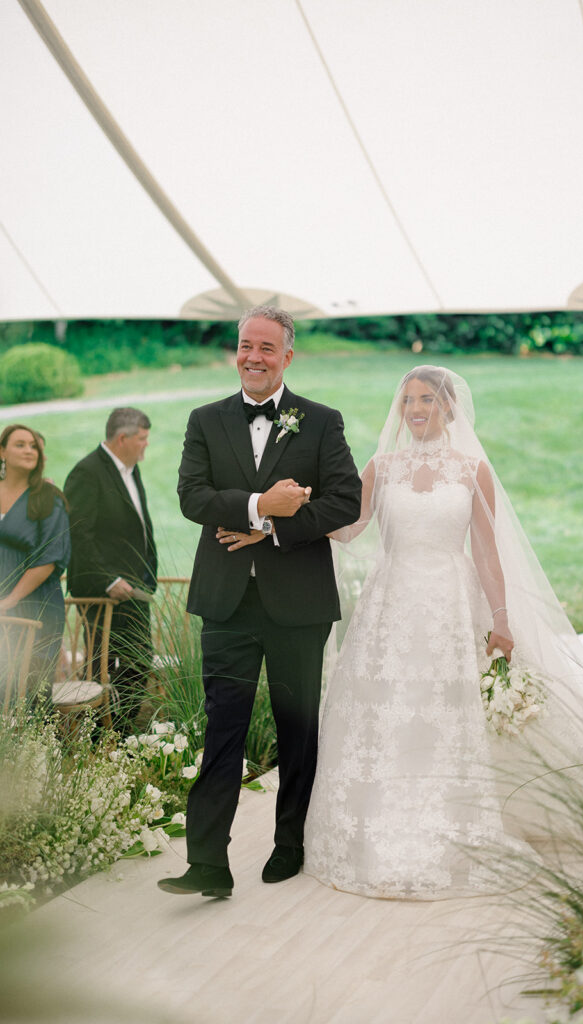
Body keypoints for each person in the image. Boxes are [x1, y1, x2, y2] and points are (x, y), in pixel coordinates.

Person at [303, 366, 583, 900]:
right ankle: (374, 831)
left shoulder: (473, 470)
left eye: (427, 399)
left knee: (444, 712)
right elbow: (351, 529)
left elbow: (488, 551)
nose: (417, 408)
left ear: (449, 407)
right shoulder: (382, 467)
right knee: (386, 710)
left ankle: (448, 823)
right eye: (408, 400)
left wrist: (501, 618)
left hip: (450, 603)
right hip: (391, 606)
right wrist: (305, 508)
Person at [158, 305, 362, 899]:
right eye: (246, 345)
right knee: (222, 731)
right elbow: (192, 497)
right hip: (226, 603)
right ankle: (207, 865)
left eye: (267, 348)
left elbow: (345, 502)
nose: (253, 356)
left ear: (288, 356)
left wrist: (272, 530)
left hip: (299, 605)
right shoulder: (205, 419)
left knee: (298, 728)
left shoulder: (320, 422)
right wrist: (258, 505)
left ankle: (290, 844)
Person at [64, 407, 157, 733]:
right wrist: (109, 581)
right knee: (108, 668)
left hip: (135, 589)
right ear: (123, 438)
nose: (147, 445)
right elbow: (78, 533)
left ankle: (121, 738)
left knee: (137, 663)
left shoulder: (130, 469)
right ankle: (103, 739)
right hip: (106, 594)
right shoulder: (87, 473)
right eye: (142, 439)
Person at [0, 423, 70, 696]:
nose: (30, 450)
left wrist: (9, 600)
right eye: (20, 444)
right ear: (2, 451)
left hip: (35, 605)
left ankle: (34, 741)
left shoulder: (47, 498)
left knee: (29, 689)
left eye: (33, 446)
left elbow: (49, 558)